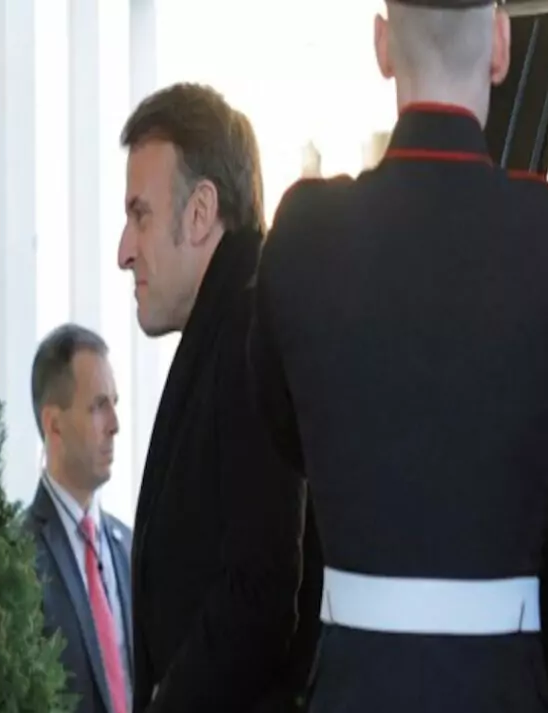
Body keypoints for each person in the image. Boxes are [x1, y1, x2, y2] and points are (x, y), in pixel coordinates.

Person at [249, 1, 548, 711]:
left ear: (383, 45)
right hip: (503, 685)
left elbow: (284, 435)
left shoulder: (303, 236)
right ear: (500, 44)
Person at [117, 83, 322, 713]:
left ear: (201, 212)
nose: (124, 250)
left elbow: (261, 590)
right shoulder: (232, 326)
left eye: (140, 215)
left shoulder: (252, 334)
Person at [24, 323, 134, 713]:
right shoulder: (17, 556)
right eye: (98, 406)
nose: (115, 424)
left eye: (115, 403)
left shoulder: (131, 547)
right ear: (54, 424)